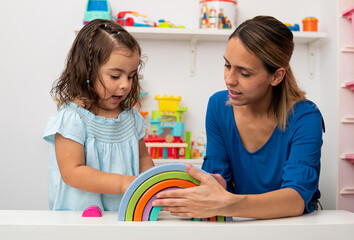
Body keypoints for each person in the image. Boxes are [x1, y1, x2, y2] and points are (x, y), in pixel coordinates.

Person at [152, 16, 324, 219]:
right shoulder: (218, 106)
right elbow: (218, 178)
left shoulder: (306, 118)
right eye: (227, 65)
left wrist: (227, 203)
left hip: (292, 225)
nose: (229, 79)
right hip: (240, 222)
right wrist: (213, 185)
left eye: (244, 73)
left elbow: (295, 200)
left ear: (276, 76)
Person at [43, 19, 154, 211]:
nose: (125, 85)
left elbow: (143, 159)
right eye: (115, 76)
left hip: (123, 216)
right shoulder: (72, 119)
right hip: (78, 220)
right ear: (87, 70)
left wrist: (153, 183)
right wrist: (122, 183)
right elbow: (72, 172)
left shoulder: (131, 119)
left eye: (130, 76)